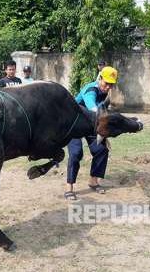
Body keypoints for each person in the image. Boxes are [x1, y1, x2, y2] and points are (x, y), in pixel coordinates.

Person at [64, 66, 118, 200]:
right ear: (100, 78)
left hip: (89, 124)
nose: (108, 87)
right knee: (76, 153)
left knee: (101, 150)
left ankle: (93, 181)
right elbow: (92, 108)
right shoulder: (90, 90)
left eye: (111, 85)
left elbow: (101, 111)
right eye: (106, 83)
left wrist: (104, 134)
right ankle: (69, 187)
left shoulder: (104, 93)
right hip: (74, 124)